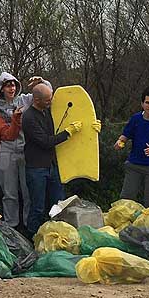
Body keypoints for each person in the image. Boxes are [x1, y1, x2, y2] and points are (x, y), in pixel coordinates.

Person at [23, 82, 96, 234]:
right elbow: (46, 142)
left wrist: (90, 127)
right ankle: (33, 237)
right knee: (38, 207)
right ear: (36, 100)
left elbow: (67, 119)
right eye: (48, 100)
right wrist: (68, 132)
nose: (51, 102)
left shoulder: (47, 111)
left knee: (58, 204)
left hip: (52, 166)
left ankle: (56, 233)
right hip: (36, 168)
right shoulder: (29, 118)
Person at [0, 72, 34, 229]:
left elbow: (47, 94)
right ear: (1, 88)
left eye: (13, 85)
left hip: (25, 149)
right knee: (9, 192)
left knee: (28, 191)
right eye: (8, 85)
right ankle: (11, 225)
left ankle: (29, 225)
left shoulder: (25, 100)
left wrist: (42, 82)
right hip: (6, 150)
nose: (11, 88)